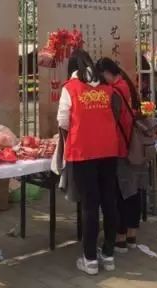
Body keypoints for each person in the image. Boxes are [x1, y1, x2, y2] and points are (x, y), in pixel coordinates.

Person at [57, 49, 119, 275]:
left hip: (83, 151)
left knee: (90, 205)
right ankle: (109, 255)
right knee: (109, 201)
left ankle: (90, 259)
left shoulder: (70, 88)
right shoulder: (107, 88)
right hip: (108, 150)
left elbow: (63, 121)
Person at [96, 57, 148, 253]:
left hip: (120, 148)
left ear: (106, 73)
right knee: (133, 191)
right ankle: (132, 235)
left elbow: (109, 121)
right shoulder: (128, 86)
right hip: (134, 146)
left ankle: (120, 237)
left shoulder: (113, 92)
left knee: (120, 194)